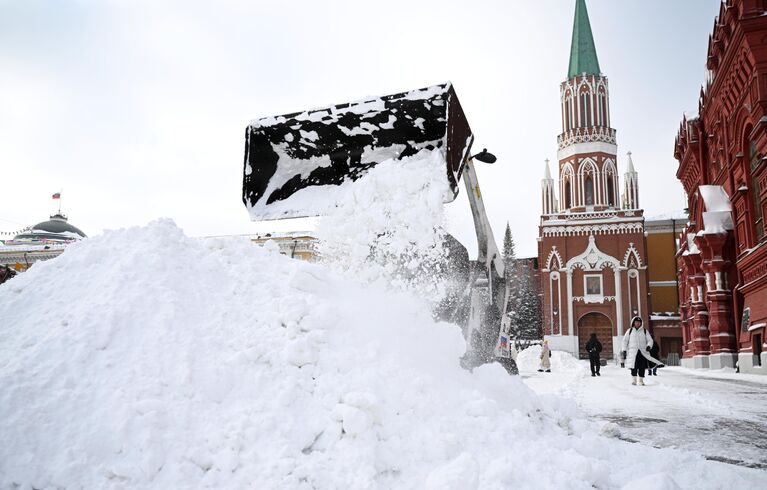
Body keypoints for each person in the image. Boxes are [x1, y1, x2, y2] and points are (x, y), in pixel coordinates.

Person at [621, 316, 662, 385]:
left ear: (641, 323)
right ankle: (634, 380)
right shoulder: (630, 331)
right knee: (633, 366)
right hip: (633, 352)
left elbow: (650, 340)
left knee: (641, 366)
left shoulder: (645, 331)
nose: (637, 323)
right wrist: (624, 350)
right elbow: (624, 341)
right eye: (636, 322)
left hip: (642, 352)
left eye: (639, 322)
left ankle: (641, 380)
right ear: (633, 323)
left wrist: (649, 346)